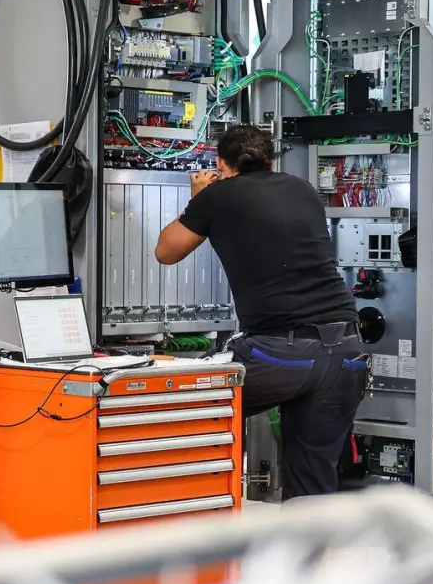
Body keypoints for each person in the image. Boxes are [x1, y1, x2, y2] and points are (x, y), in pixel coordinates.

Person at [153, 125, 367, 500]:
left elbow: (166, 251)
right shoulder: (302, 189)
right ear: (271, 161)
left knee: (183, 407)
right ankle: (304, 558)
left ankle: (196, 534)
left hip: (281, 356)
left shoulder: (218, 195)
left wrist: (199, 197)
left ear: (221, 164)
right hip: (346, 353)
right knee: (312, 487)